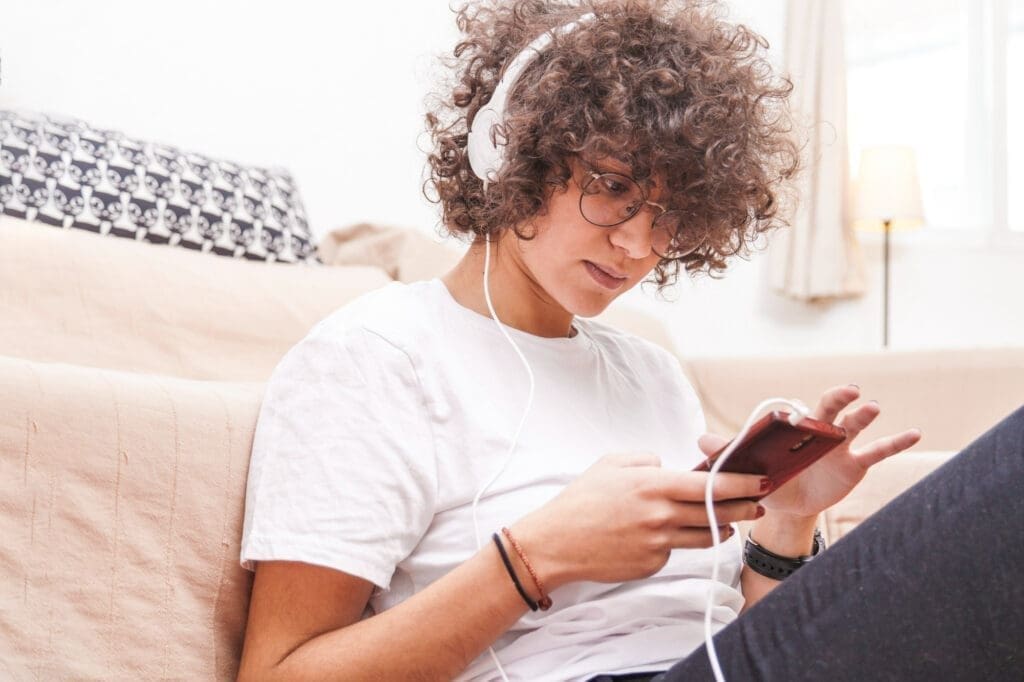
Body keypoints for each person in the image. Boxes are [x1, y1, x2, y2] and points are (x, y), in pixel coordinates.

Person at [235, 1, 1024, 681]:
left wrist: (782, 529)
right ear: (512, 151)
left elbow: (732, 638)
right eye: (613, 189)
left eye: (670, 216)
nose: (640, 245)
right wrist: (533, 559)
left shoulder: (651, 373)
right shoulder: (373, 357)